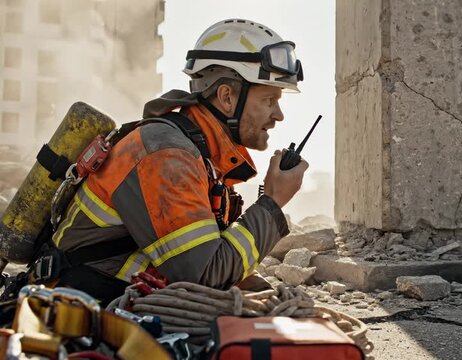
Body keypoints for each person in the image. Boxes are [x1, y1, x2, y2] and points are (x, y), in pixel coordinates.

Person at [46, 19, 308, 302]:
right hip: (77, 308)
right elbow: (204, 275)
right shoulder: (168, 156)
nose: (279, 114)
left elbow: (208, 259)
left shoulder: (202, 157)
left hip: (110, 297)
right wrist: (271, 203)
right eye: (269, 100)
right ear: (227, 97)